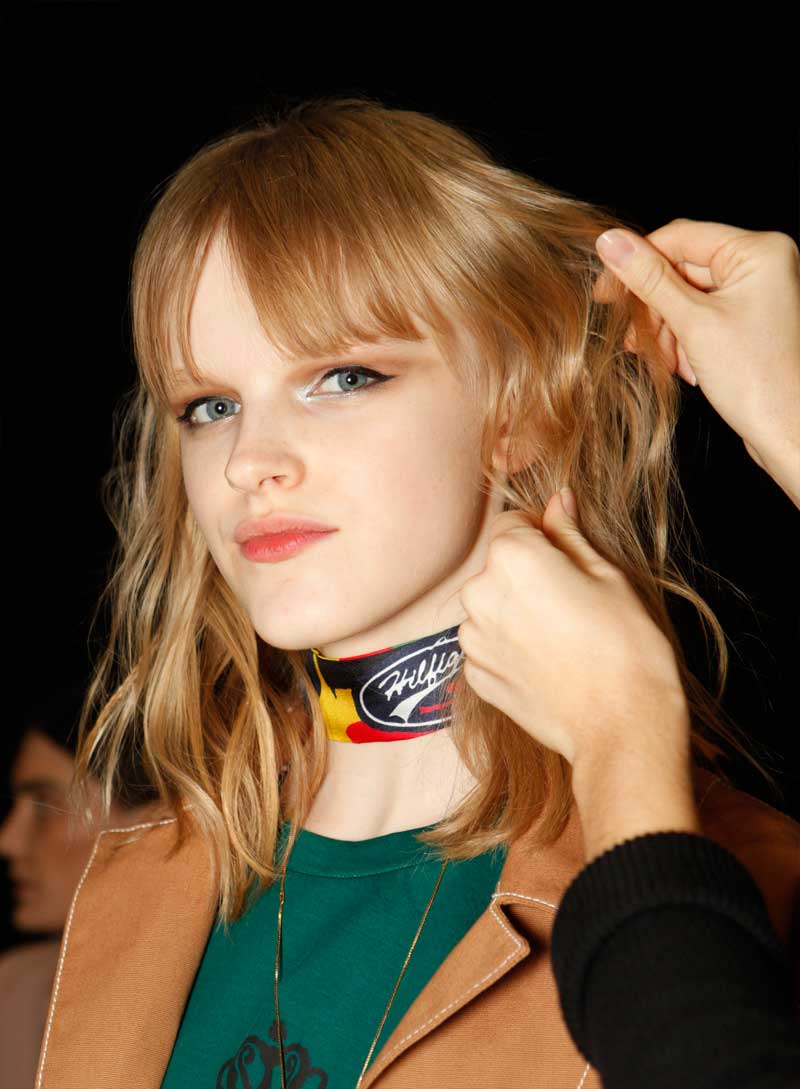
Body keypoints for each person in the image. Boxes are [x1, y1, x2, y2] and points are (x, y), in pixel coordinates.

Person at [31, 98, 799, 1089]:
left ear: (518, 410)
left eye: (344, 377)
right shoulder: (130, 888)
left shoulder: (750, 881)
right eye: (210, 405)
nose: (248, 460)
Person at [0, 684, 158, 1089]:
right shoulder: (14, 989)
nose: (9, 841)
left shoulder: (221, 987)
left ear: (152, 818)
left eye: (46, 806)